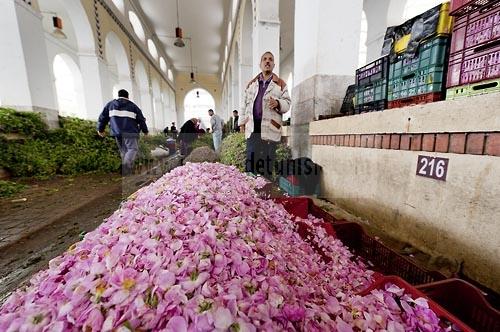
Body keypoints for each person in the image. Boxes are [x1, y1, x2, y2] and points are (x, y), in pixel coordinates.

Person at [239, 51, 291, 179]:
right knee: (251, 157)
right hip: (253, 126)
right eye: (264, 59)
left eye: (270, 59)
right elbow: (244, 104)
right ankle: (250, 188)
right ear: (260, 64)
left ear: (273, 64)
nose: (267, 61)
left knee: (268, 159)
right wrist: (241, 123)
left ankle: (266, 187)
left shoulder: (280, 84)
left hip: (270, 127)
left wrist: (278, 103)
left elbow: (288, 103)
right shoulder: (251, 84)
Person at [97, 89, 148, 176]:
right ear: (128, 97)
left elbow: (103, 118)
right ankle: (125, 167)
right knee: (132, 149)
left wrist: (100, 129)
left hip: (117, 132)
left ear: (118, 95)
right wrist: (145, 131)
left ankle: (127, 171)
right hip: (130, 132)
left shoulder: (110, 105)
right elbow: (141, 120)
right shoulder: (133, 106)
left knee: (124, 151)